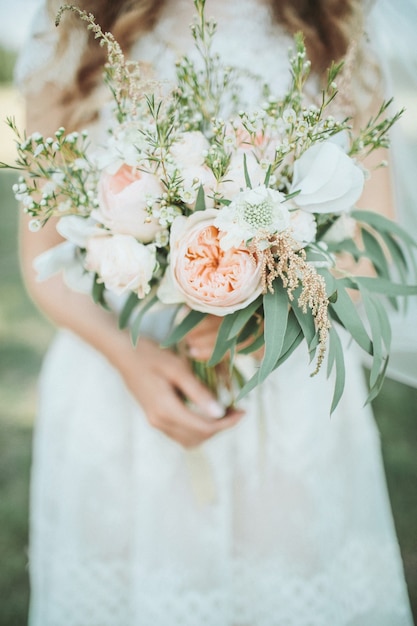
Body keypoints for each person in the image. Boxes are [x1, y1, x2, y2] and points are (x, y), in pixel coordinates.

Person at [16, 0, 414, 624]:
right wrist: (132, 358)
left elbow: (370, 250)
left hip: (282, 393)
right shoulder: (70, 27)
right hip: (121, 389)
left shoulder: (339, 27)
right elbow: (41, 259)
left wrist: (261, 329)